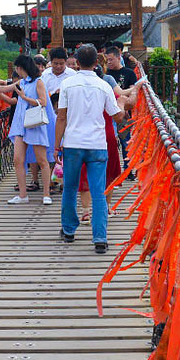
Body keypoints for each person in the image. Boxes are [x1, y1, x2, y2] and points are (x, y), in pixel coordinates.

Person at [55, 45, 126, 253]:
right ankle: (100, 238)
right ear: (97, 62)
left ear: (76, 61)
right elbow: (117, 116)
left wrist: (57, 144)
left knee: (69, 188)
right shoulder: (103, 86)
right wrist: (122, 102)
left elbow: (61, 116)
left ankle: (69, 231)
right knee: (98, 192)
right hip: (97, 145)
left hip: (73, 143)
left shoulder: (67, 84)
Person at [0, 54, 52, 205]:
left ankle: (46, 194)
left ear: (21, 68)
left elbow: (43, 102)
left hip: (34, 123)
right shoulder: (22, 82)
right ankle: (23, 195)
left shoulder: (38, 82)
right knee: (18, 159)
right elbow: (4, 88)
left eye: (17, 68)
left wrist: (24, 97)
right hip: (21, 124)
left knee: (42, 160)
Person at [104, 45, 138, 177]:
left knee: (126, 141)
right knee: (112, 141)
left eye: (111, 59)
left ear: (118, 58)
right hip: (109, 112)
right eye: (107, 60)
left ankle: (128, 169)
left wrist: (128, 106)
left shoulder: (129, 73)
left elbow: (133, 91)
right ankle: (112, 172)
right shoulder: (106, 75)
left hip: (125, 111)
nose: (109, 63)